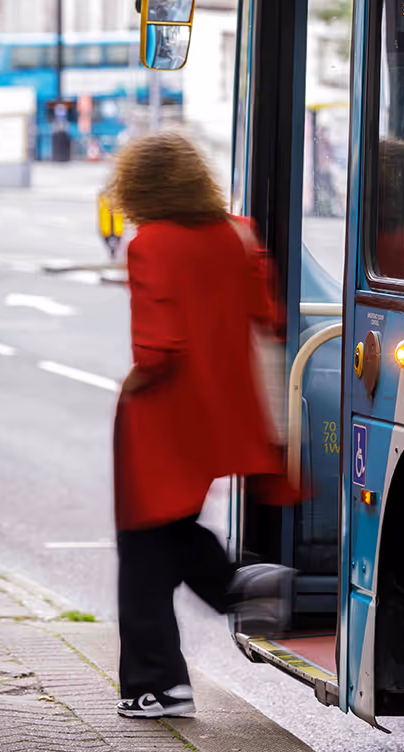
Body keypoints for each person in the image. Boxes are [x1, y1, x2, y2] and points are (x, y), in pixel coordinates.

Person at [107, 132, 296, 720]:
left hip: (163, 418)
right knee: (169, 533)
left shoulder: (149, 244)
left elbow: (160, 347)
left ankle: (158, 684)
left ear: (137, 187)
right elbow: (270, 317)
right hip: (223, 415)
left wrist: (134, 383)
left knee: (141, 551)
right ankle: (237, 585)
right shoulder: (238, 234)